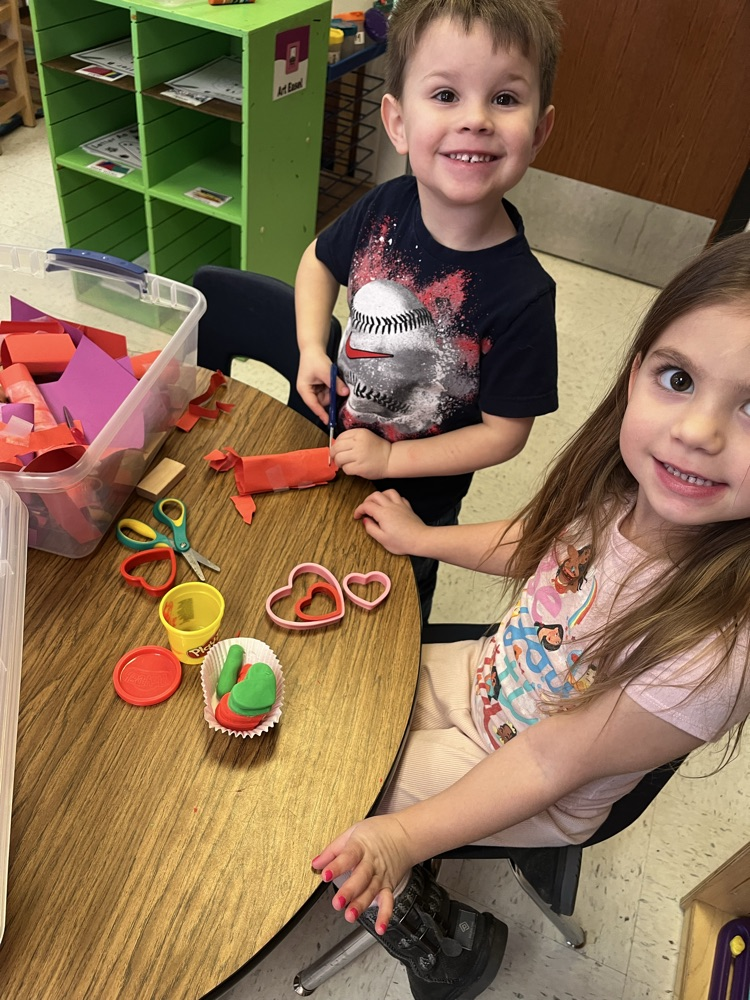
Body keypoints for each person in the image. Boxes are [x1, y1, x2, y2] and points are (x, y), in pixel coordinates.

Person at [310, 231, 750, 1000]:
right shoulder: (622, 486)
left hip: (531, 776)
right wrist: (421, 539)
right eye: (678, 378)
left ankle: (445, 941)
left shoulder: (718, 655)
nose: (696, 432)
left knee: (329, 792)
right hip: (486, 675)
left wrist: (400, 839)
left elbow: (549, 764)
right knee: (334, 700)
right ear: (635, 372)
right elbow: (539, 546)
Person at [295, 0, 562, 621]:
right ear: (397, 122)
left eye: (504, 98)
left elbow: (504, 433)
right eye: (445, 94)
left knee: (391, 616)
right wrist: (311, 347)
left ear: (539, 131)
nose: (475, 119)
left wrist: (392, 461)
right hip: (332, 441)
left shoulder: (523, 295)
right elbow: (317, 261)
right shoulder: (384, 206)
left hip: (418, 502)